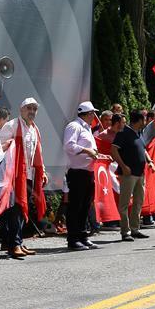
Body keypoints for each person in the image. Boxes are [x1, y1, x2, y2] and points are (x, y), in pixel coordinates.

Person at [110, 100, 155, 241]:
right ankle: (125, 232)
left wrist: (149, 161)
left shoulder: (139, 133)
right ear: (139, 120)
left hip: (140, 174)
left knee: (138, 202)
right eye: (144, 117)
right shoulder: (123, 132)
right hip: (128, 174)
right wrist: (124, 167)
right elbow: (114, 150)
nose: (146, 119)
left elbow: (141, 149)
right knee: (124, 204)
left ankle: (135, 229)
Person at [0, 98, 48, 258]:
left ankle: (16, 241)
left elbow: (37, 154)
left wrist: (43, 172)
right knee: (16, 210)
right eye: (29, 108)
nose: (32, 112)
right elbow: (1, 150)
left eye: (35, 109)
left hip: (27, 175)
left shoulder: (34, 129)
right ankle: (14, 244)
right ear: (21, 109)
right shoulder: (12, 125)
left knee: (21, 210)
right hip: (13, 175)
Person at [63, 102, 100, 250]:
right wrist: (87, 151)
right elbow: (69, 146)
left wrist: (96, 154)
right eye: (92, 113)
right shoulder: (74, 126)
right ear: (87, 113)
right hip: (77, 172)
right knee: (75, 206)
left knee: (85, 205)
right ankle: (73, 239)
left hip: (87, 172)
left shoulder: (86, 128)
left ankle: (82, 235)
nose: (94, 116)